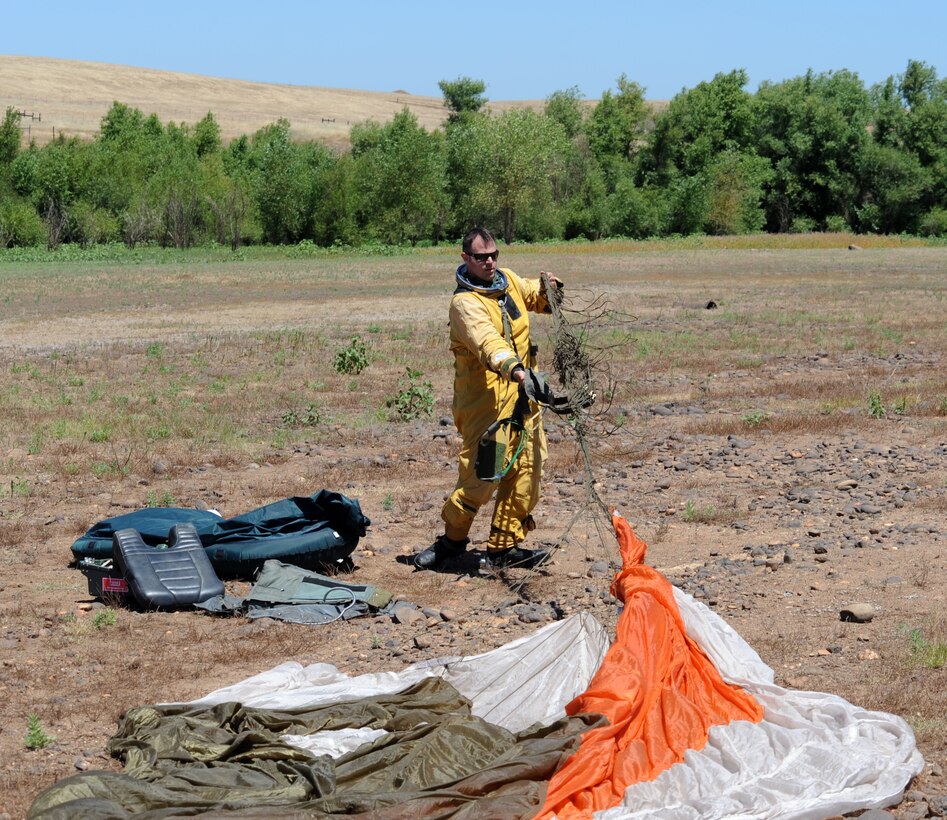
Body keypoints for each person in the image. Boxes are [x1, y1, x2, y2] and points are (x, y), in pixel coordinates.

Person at [415, 227, 561, 571]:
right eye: (481, 257)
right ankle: (451, 542)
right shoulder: (464, 304)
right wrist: (516, 369)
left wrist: (549, 289)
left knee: (527, 469)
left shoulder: (506, 280)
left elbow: (534, 296)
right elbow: (488, 344)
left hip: (524, 400)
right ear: (466, 259)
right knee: (482, 479)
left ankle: (503, 549)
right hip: (486, 406)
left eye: (494, 254)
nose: (490, 261)